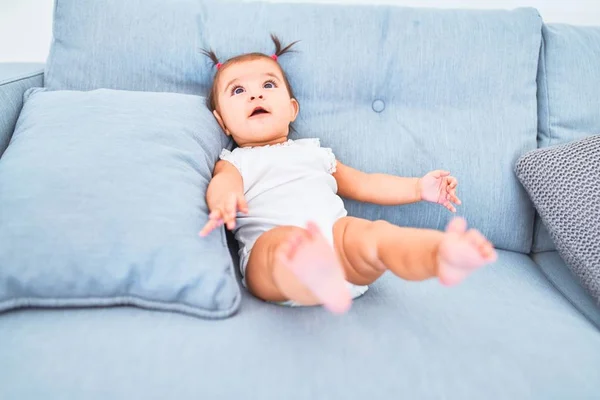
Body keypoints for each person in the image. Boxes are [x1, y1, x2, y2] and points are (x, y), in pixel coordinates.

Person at [199, 35, 497, 314]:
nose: (255, 96)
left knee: (374, 234)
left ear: (292, 109)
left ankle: (438, 255)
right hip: (272, 257)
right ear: (222, 121)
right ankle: (311, 273)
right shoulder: (236, 161)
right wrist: (224, 200)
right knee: (283, 243)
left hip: (339, 247)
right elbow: (223, 183)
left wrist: (418, 187)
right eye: (238, 91)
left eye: (268, 85)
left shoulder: (316, 154)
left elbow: (367, 183)